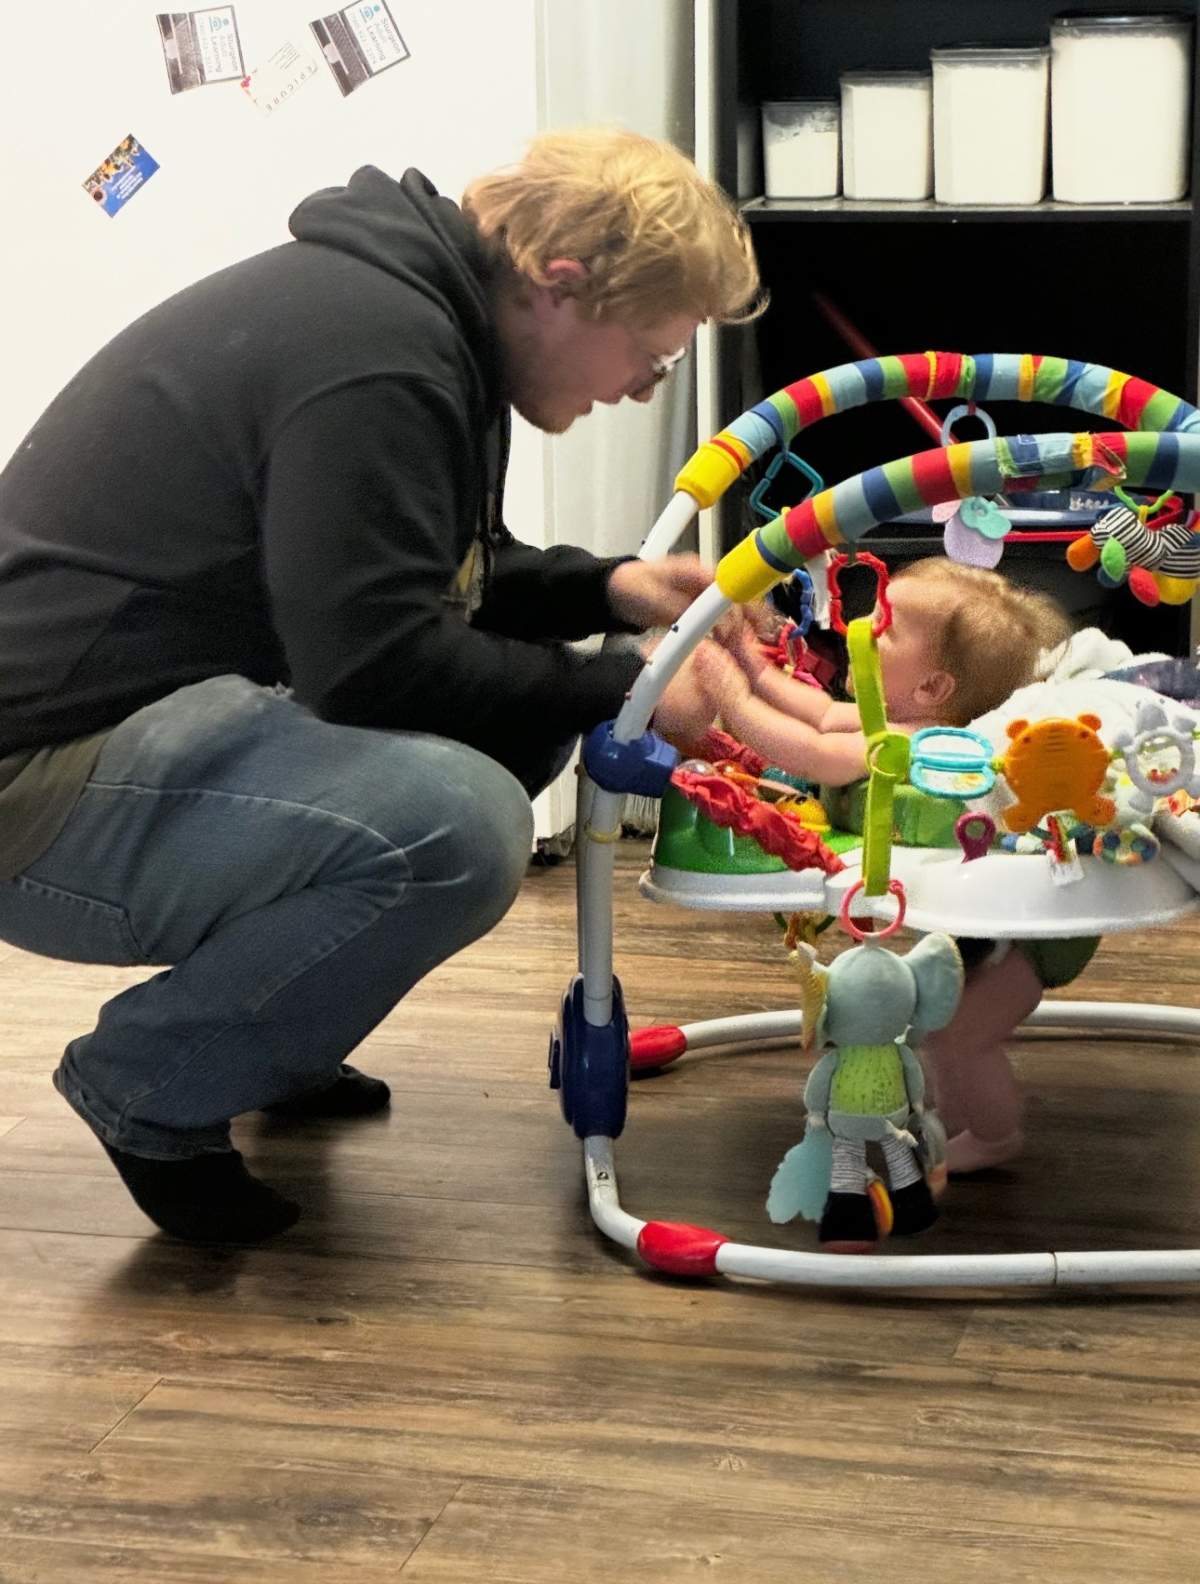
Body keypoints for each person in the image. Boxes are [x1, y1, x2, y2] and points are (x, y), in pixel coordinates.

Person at [0, 127, 762, 1243]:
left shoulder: (414, 316)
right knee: (457, 822)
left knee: (506, 731)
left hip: (135, 724)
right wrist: (622, 689)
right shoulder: (379, 351)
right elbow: (375, 662)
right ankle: (154, 1084)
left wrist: (616, 587)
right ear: (563, 287)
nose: (646, 390)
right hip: (34, 789)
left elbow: (437, 583)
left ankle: (268, 1033)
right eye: (650, 355)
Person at [665, 557, 1077, 1174]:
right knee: (937, 1025)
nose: (864, 625)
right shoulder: (896, 716)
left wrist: (726, 692)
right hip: (988, 925)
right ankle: (954, 1110)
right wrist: (749, 664)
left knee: (961, 1032)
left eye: (886, 628)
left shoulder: (917, 739)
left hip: (1035, 929)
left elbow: (816, 753)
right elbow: (817, 714)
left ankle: (995, 1135)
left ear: (933, 689)